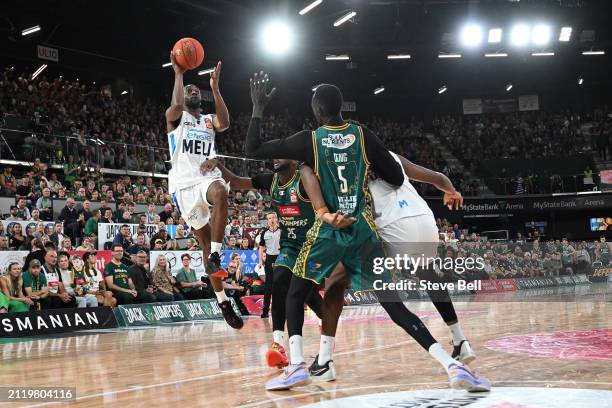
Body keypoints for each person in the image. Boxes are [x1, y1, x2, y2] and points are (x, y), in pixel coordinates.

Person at [300, 152, 488, 390]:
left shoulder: (346, 165)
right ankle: (461, 340)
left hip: (394, 228)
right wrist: (451, 190)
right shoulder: (392, 157)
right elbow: (437, 177)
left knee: (358, 290)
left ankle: (450, 364)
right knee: (429, 275)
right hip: (426, 223)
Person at [217, 159, 324, 368]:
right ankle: (278, 345)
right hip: (290, 247)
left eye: (281, 154)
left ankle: (325, 323)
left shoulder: (305, 179)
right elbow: (236, 181)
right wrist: (215, 163)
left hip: (313, 246)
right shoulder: (271, 180)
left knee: (305, 293)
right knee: (280, 282)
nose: (275, 157)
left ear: (293, 160)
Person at [165, 51, 241, 328]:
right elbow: (174, 106)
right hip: (183, 186)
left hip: (206, 178)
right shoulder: (175, 119)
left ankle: (218, 255)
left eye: (196, 88)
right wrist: (179, 73)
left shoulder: (208, 119)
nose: (192, 90)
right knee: (204, 246)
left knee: (221, 191)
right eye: (188, 90)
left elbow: (226, 123)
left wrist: (216, 89)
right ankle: (223, 302)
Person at [257, 212, 280, 318]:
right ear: (267, 220)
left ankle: (282, 308)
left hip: (281, 259)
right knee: (268, 286)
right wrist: (260, 261)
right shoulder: (264, 233)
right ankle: (265, 310)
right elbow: (261, 247)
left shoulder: (282, 231)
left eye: (273, 218)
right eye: (269, 218)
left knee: (281, 284)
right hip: (269, 259)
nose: (271, 220)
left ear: (276, 219)